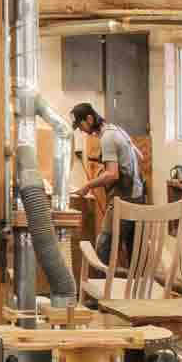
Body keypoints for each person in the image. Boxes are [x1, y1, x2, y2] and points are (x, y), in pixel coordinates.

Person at [70, 102, 145, 264]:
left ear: (89, 119)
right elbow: (139, 158)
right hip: (138, 197)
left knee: (103, 248)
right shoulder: (117, 130)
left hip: (124, 200)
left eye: (80, 125)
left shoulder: (107, 138)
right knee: (133, 254)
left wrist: (88, 186)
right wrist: (106, 172)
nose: (82, 130)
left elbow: (112, 174)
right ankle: (133, 288)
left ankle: (102, 287)